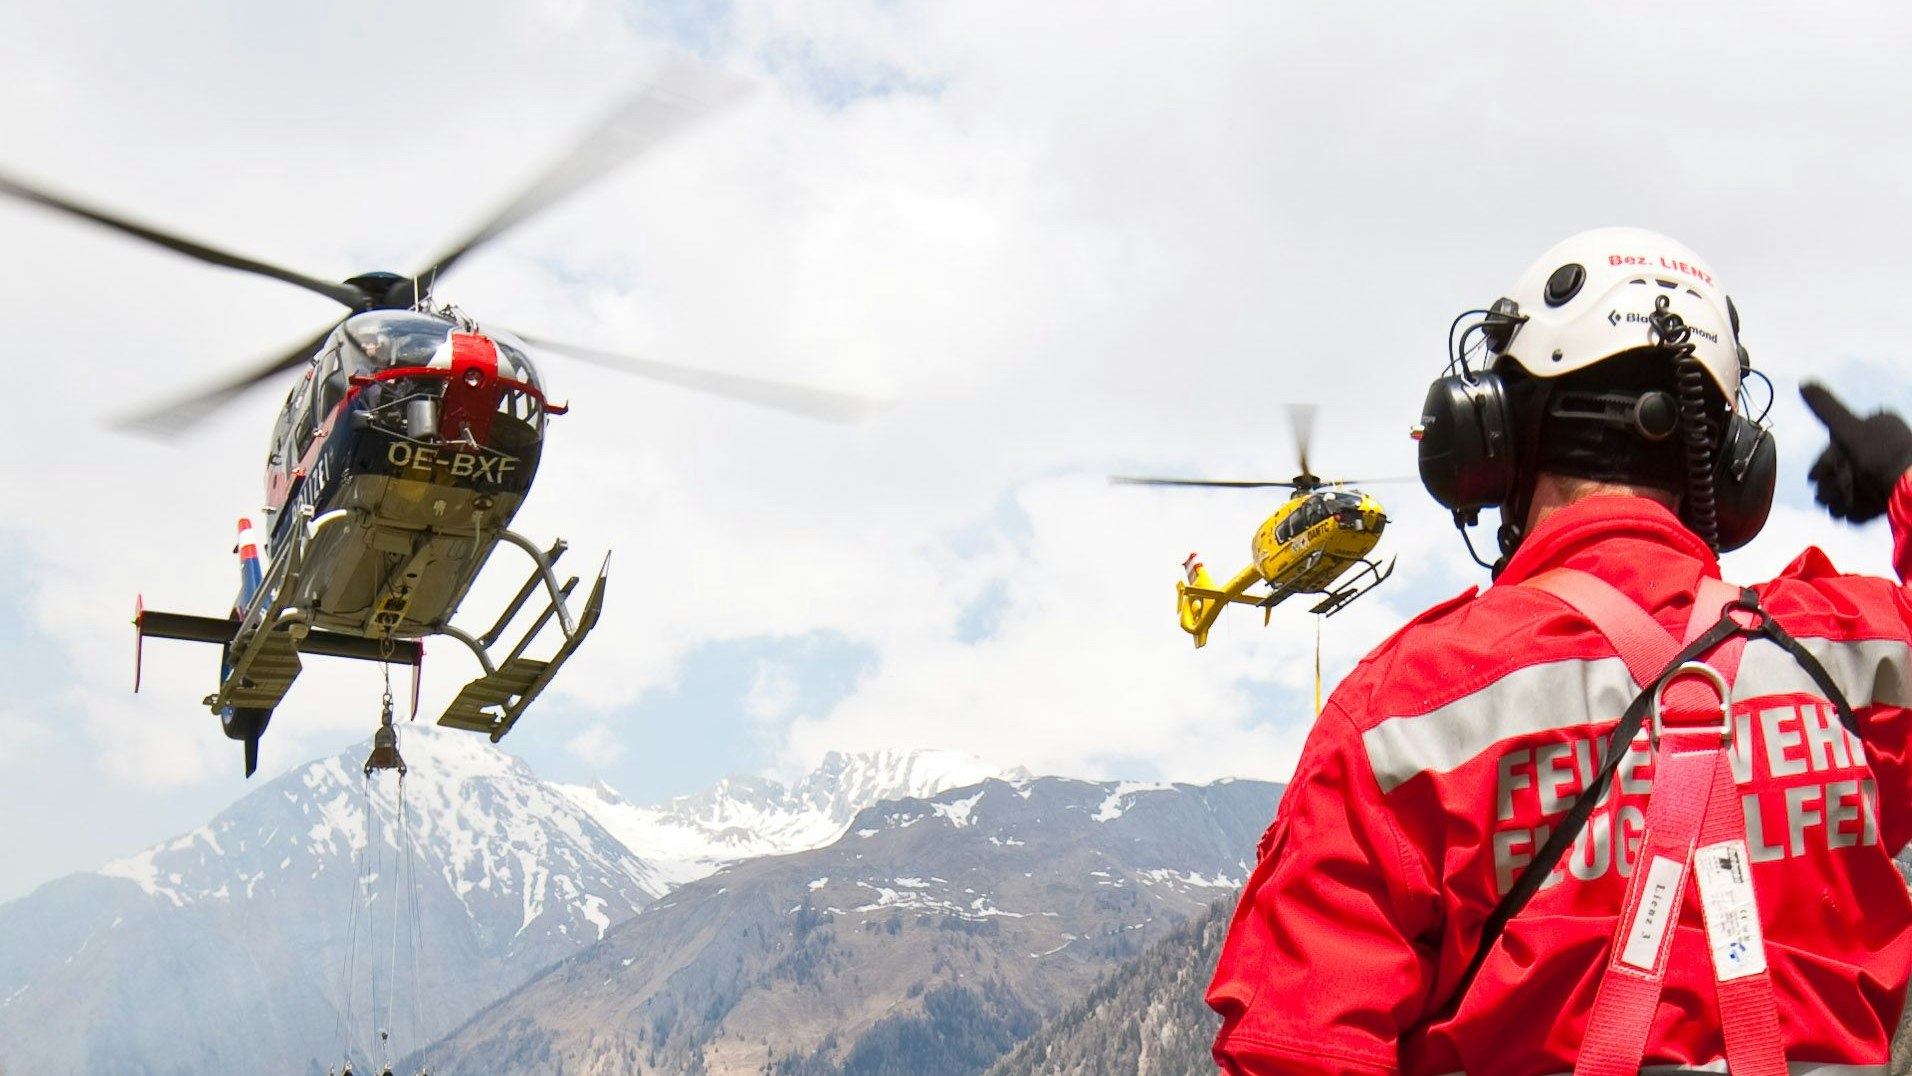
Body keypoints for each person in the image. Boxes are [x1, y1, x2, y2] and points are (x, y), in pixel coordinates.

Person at [1206, 226, 1912, 1075]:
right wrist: (1905, 476)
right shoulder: (1856, 659)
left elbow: (1298, 1048)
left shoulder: (1400, 718)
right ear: (1729, 465)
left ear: (1489, 439)